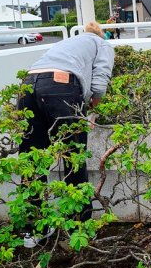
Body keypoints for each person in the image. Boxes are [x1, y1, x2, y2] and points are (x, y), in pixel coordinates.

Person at [18, 20, 114, 225]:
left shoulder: (68, 43)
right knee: (74, 156)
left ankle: (34, 228)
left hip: (28, 85)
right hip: (60, 85)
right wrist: (92, 109)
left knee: (32, 158)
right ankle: (79, 226)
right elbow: (100, 83)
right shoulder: (102, 44)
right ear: (101, 35)